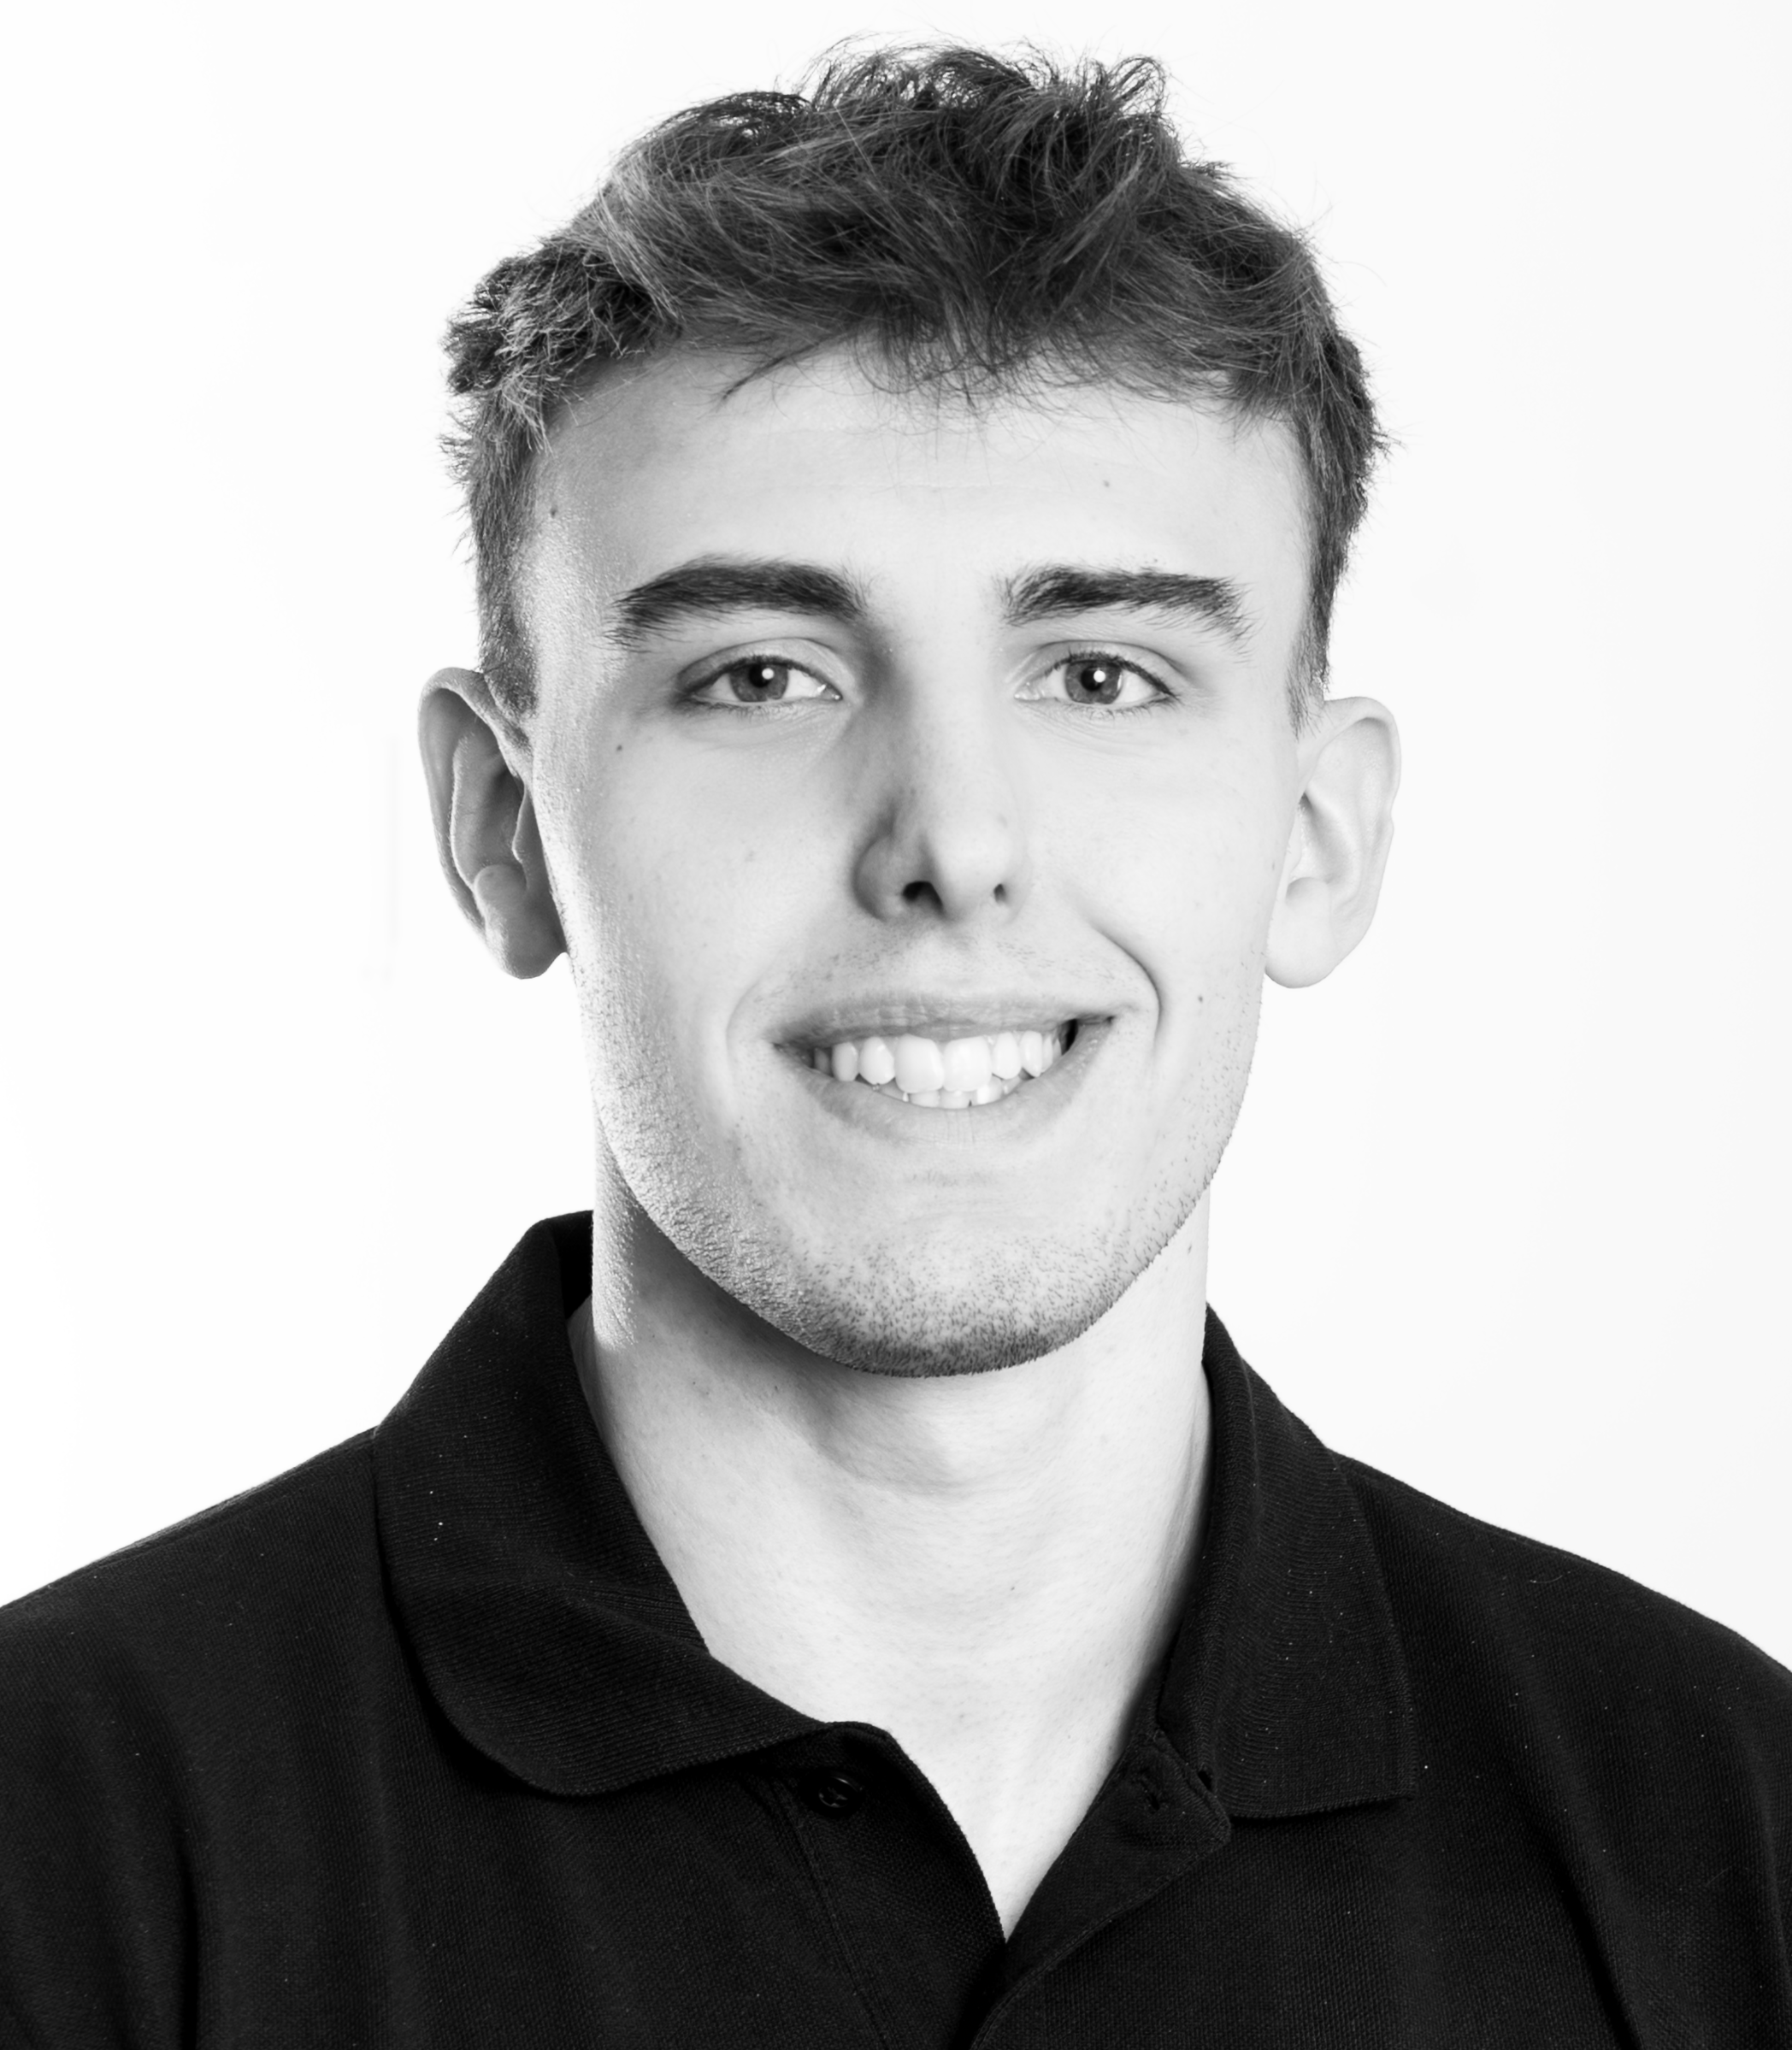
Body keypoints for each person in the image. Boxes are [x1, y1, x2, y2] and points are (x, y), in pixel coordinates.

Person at [3, 44, 1787, 2049]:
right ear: (502, 826)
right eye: (761, 675)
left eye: (1101, 673)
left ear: (1316, 833)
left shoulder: (1726, 1839)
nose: (952, 839)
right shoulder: (57, 1850)